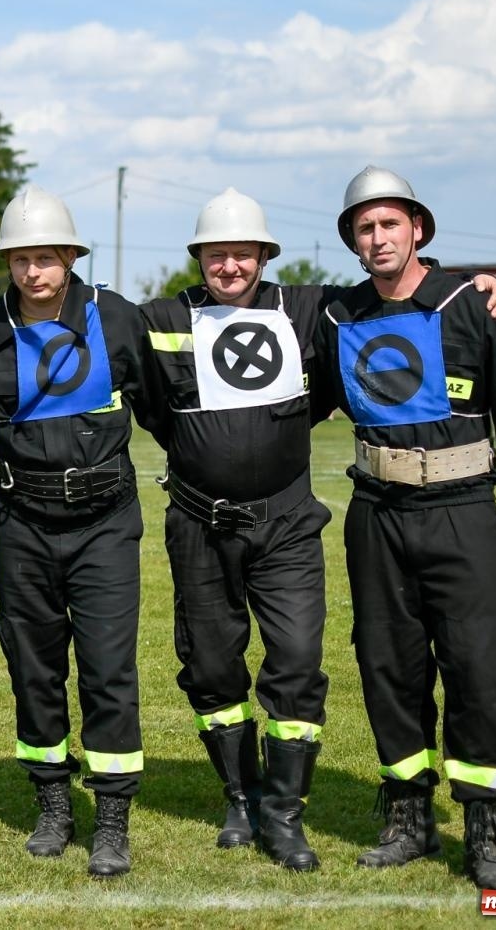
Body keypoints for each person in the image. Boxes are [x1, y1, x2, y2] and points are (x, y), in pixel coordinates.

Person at [315, 165, 496, 891]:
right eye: (365, 227)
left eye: (391, 223)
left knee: (479, 671)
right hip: (376, 515)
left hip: (461, 513)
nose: (379, 236)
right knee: (388, 669)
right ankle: (408, 821)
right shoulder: (338, 316)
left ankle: (486, 835)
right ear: (353, 242)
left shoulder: (471, 305)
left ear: (417, 228)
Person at [0, 185, 153, 878]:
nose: (33, 271)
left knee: (106, 670)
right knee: (34, 670)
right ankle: (53, 807)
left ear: (70, 256)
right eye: (20, 259)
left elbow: (166, 394)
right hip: (23, 525)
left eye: (46, 257)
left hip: (104, 524)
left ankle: (112, 817)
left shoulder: (117, 318)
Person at [139, 189, 334, 871]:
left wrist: (474, 282)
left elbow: (390, 299)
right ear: (199, 258)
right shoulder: (164, 317)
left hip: (287, 525)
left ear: (263, 255)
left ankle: (284, 813)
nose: (229, 265)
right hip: (198, 523)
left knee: (298, 660)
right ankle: (240, 798)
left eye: (241, 252)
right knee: (212, 665)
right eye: (216, 253)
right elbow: (122, 369)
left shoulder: (305, 307)